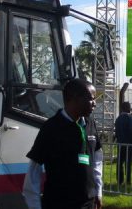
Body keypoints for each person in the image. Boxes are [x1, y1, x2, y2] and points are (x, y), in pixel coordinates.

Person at [23, 79, 103, 209]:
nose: (94, 104)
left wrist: (97, 192)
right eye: (91, 99)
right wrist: (35, 206)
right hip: (59, 203)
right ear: (73, 99)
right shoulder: (51, 128)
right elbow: (34, 171)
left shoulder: (90, 124)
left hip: (87, 203)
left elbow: (97, 159)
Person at [114, 102, 132, 185]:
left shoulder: (118, 119)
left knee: (120, 162)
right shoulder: (129, 118)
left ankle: (119, 180)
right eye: (129, 107)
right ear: (126, 108)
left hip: (120, 143)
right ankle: (128, 180)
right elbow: (130, 132)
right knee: (128, 163)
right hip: (128, 144)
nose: (130, 109)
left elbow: (117, 132)